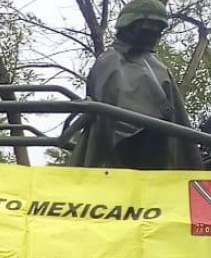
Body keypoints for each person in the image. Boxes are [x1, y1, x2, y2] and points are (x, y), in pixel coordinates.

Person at [68, 0, 203, 170]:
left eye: (157, 29)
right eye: (147, 27)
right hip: (113, 162)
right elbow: (113, 122)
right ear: (129, 25)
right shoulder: (110, 62)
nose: (152, 33)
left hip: (160, 159)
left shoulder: (158, 68)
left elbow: (178, 123)